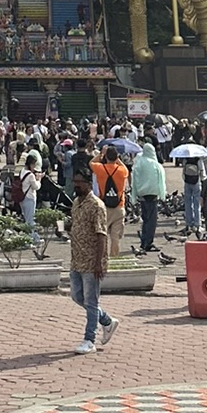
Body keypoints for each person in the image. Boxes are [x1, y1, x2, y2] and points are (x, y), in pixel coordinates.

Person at [67, 166, 117, 354]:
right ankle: (106, 320)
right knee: (77, 296)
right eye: (75, 182)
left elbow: (101, 234)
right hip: (76, 259)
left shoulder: (96, 205)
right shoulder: (76, 203)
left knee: (91, 300)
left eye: (79, 182)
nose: (76, 185)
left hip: (91, 261)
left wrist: (99, 262)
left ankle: (90, 339)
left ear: (88, 184)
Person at [93, 146, 129, 258]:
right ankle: (114, 256)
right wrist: (117, 159)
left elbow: (91, 162)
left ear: (106, 156)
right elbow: (125, 168)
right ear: (117, 156)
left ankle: (103, 256)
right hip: (119, 206)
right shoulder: (122, 171)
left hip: (104, 206)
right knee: (115, 236)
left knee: (103, 233)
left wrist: (100, 154)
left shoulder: (100, 168)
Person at [131, 141, 164, 254]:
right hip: (152, 194)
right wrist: (162, 194)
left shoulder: (139, 163)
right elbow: (160, 181)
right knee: (152, 220)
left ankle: (144, 241)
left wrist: (134, 195)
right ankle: (148, 243)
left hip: (142, 195)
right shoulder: (155, 164)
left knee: (145, 218)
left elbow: (135, 180)